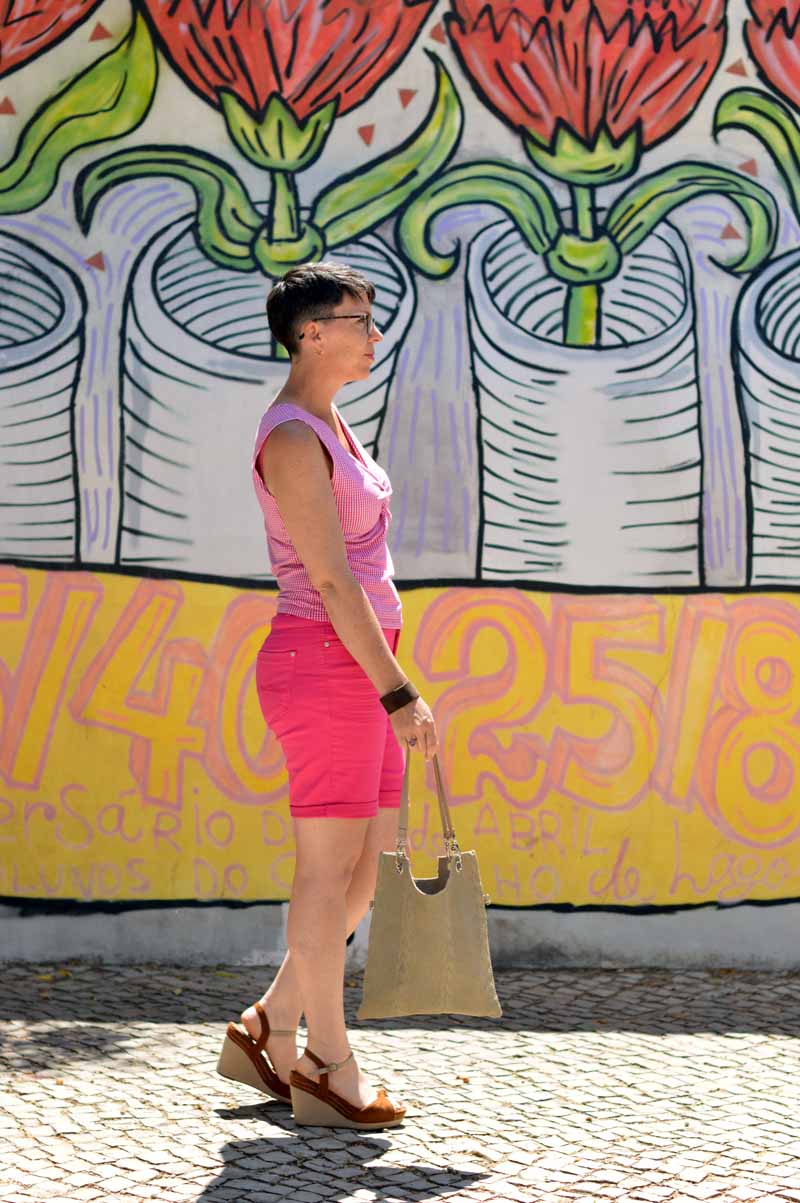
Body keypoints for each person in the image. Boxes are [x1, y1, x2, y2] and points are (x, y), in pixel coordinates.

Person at [216, 262, 439, 1130]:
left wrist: (389, 678)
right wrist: (399, 691)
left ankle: (269, 1022)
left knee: (366, 867)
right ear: (311, 332)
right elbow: (335, 582)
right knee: (325, 868)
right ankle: (328, 1065)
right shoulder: (291, 438)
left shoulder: (330, 423)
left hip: (358, 663)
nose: (373, 336)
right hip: (324, 662)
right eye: (359, 321)